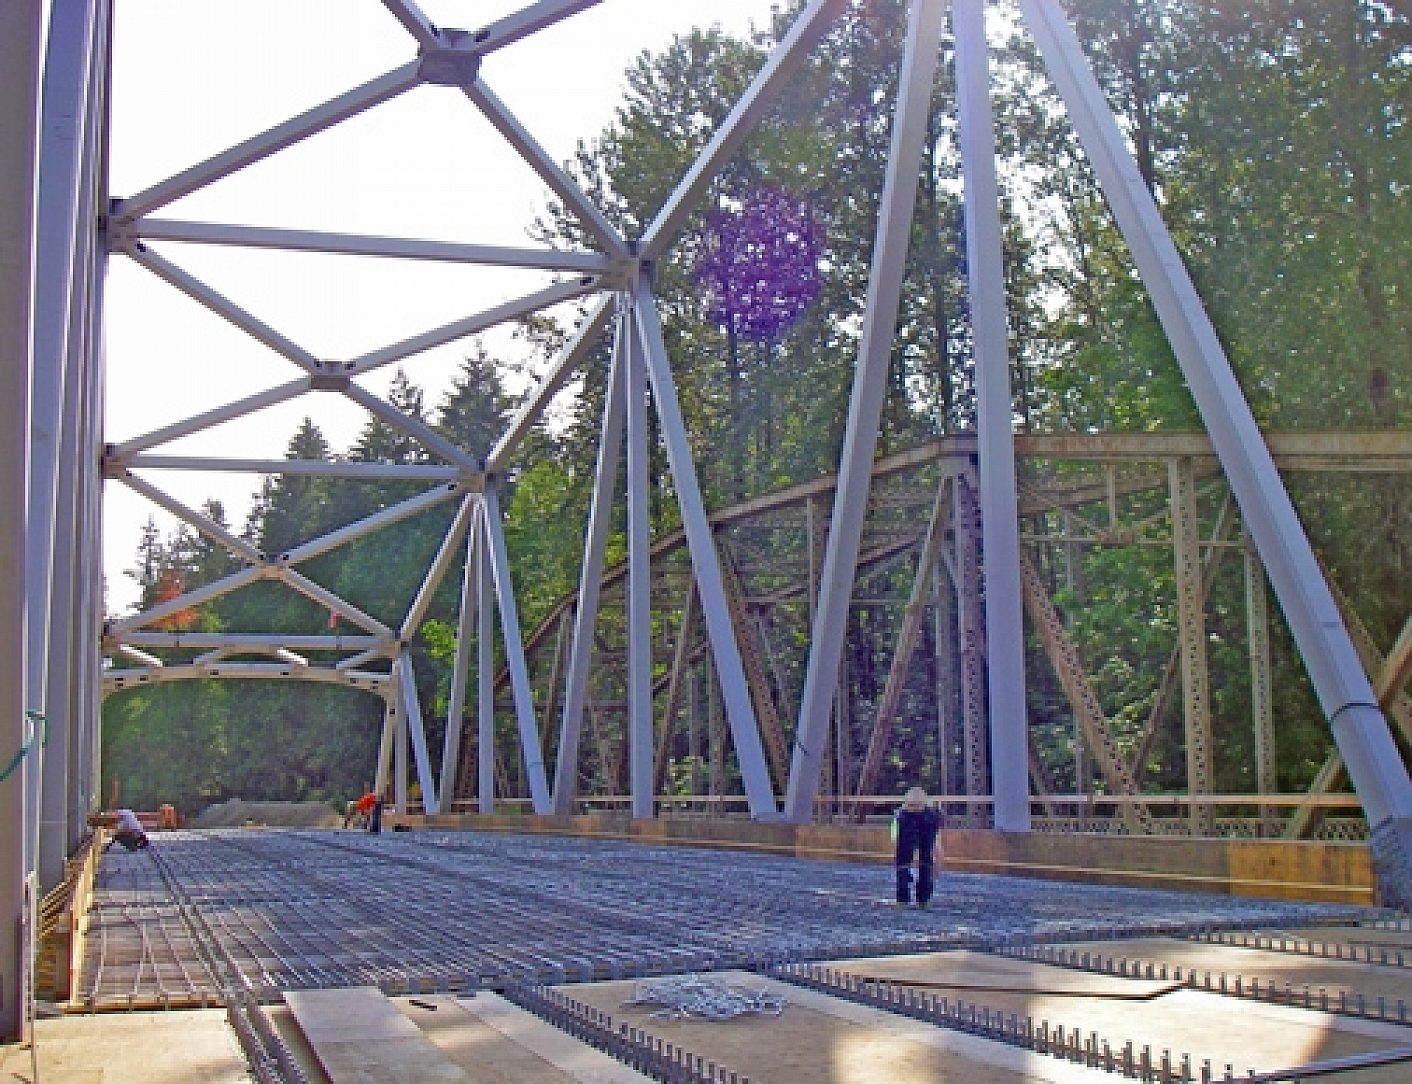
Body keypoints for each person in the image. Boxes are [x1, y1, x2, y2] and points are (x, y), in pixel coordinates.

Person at [892, 786, 941, 907]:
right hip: (926, 840)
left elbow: (894, 836)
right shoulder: (933, 815)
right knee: (926, 865)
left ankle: (902, 900)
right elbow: (936, 837)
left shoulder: (900, 815)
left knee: (903, 866)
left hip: (906, 840)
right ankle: (923, 900)